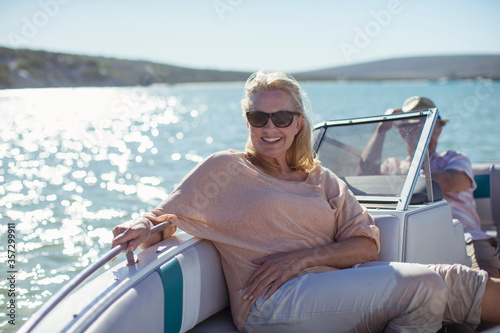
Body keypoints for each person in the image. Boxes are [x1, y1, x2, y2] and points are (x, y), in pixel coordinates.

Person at [111, 72, 500, 332]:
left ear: (298, 122)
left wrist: (304, 258)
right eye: (258, 117)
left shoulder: (320, 177)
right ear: (247, 121)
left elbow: (366, 242)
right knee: (424, 286)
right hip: (268, 301)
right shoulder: (226, 170)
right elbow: (164, 216)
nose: (269, 128)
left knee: (454, 279)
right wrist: (143, 228)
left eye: (281, 117)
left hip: (327, 282)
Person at [362, 96, 500, 279]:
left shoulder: (453, 159)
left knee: (487, 280)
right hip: (409, 239)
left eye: (425, 124)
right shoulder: (392, 166)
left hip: (465, 237)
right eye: (408, 127)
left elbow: (446, 181)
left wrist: (393, 181)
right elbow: (363, 175)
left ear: (438, 130)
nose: (415, 132)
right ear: (402, 132)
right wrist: (382, 128)